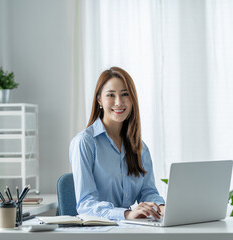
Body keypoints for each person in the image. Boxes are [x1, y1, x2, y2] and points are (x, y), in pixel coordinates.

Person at [69, 66, 165, 221]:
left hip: (128, 229)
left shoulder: (140, 148)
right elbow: (86, 204)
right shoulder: (85, 142)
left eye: (125, 94)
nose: (119, 102)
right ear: (99, 100)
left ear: (132, 99)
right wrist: (126, 214)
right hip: (96, 231)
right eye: (111, 95)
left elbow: (147, 192)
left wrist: (160, 207)